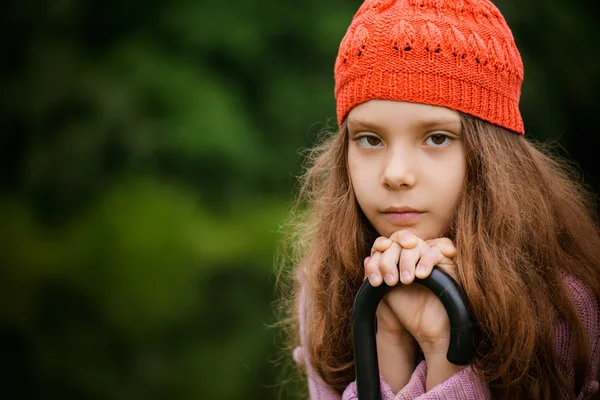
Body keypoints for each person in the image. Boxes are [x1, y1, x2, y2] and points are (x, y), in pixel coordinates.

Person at [276, 0, 600, 398]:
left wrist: (446, 347)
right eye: (370, 139)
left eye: (437, 137)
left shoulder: (564, 308)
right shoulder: (328, 290)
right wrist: (388, 342)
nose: (396, 174)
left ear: (492, 158)